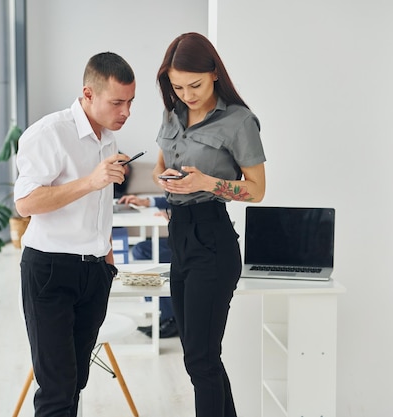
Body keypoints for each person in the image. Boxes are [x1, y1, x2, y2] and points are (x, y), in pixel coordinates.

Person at [13, 52, 136, 417]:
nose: (126, 112)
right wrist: (90, 181)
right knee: (56, 388)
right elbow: (25, 203)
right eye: (117, 102)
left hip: (94, 272)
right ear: (88, 94)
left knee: (77, 380)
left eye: (130, 102)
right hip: (50, 271)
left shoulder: (108, 139)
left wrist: (108, 262)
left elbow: (99, 209)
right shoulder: (48, 133)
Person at [154, 33, 266, 417]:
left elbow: (257, 190)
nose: (186, 93)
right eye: (177, 86)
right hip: (179, 239)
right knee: (200, 358)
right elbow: (159, 163)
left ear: (215, 73)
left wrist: (207, 182)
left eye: (195, 85)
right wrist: (161, 178)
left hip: (213, 240)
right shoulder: (173, 113)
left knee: (201, 361)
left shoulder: (239, 122)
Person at [117, 194, 177, 338]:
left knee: (154, 256)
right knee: (141, 249)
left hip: (198, 242)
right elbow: (176, 198)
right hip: (183, 235)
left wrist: (177, 218)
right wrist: (147, 201)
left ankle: (171, 318)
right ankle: (161, 311)